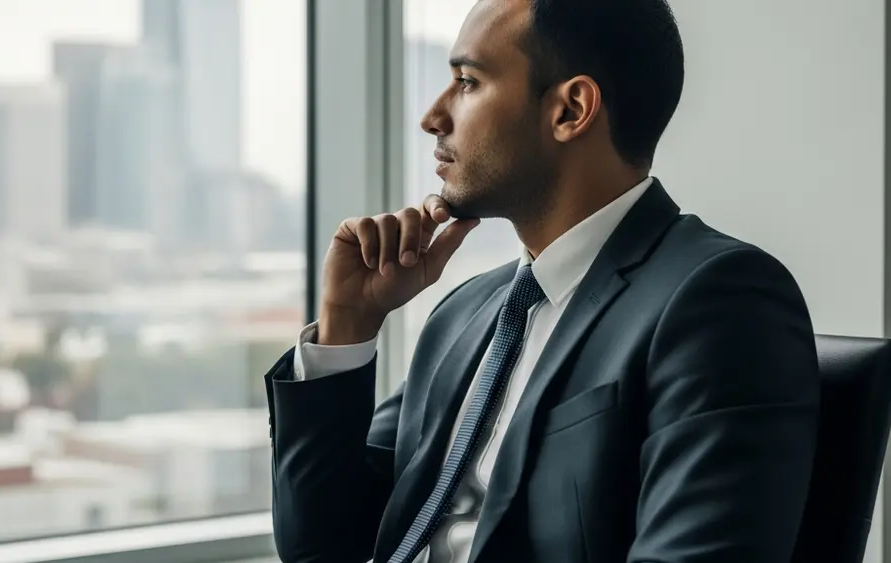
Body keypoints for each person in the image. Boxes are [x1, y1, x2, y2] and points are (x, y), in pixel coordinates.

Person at [264, 0, 820, 561]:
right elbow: (321, 547)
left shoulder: (720, 301)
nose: (432, 115)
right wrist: (346, 330)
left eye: (466, 81)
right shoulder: (464, 313)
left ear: (570, 109)